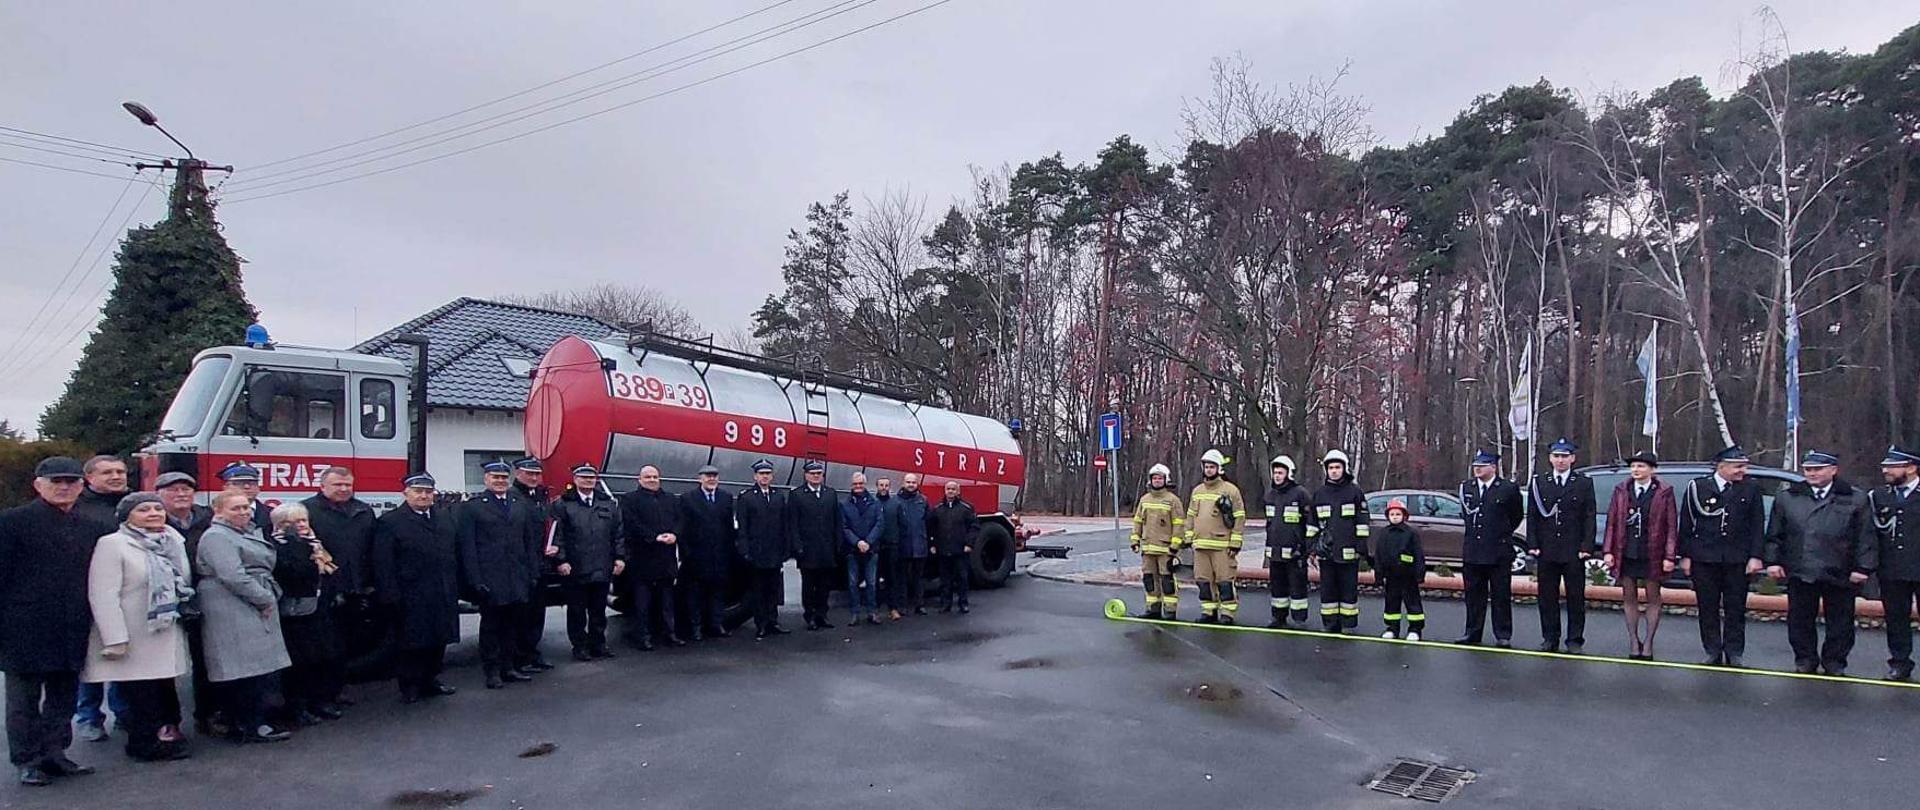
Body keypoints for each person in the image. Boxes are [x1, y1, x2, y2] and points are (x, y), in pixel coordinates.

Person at [0, 457, 108, 785]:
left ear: (81, 485)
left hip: (71, 624)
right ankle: (27, 760)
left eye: (70, 481)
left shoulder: (91, 526)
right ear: (38, 485)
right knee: (23, 701)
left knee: (63, 697)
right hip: (23, 626)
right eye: (55, 481)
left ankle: (55, 753)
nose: (63, 487)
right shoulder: (12, 522)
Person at [85, 492, 194, 762]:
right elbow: (103, 593)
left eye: (158, 508)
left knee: (163, 688)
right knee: (140, 692)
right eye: (144, 510)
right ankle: (143, 744)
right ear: (127, 516)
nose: (154, 514)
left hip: (165, 627)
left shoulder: (172, 541)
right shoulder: (113, 544)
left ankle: (166, 735)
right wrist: (114, 638)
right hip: (134, 632)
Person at [1765, 451, 1876, 676]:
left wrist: (1863, 567)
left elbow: (1865, 536)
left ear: (1833, 470)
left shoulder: (1855, 498)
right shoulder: (1788, 497)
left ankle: (1835, 661)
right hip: (1800, 568)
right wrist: (1773, 561)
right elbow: (1775, 533)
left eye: (1818, 469)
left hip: (1840, 570)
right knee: (1800, 620)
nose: (1812, 474)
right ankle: (1805, 659)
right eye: (1808, 470)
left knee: (1841, 622)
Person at [196, 491, 293, 743]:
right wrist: (264, 598)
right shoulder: (217, 536)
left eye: (246, 507)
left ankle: (254, 720)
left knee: (255, 668)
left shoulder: (244, 532)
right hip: (231, 603)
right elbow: (232, 575)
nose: (243, 512)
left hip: (247, 600)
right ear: (218, 512)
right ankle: (245, 724)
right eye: (235, 508)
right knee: (240, 669)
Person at [373, 473, 463, 702]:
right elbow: (383, 563)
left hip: (442, 589)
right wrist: (390, 595)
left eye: (428, 492)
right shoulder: (390, 522)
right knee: (411, 642)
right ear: (406, 493)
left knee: (438, 639)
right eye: (418, 491)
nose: (423, 496)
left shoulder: (444, 518)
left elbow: (454, 553)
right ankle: (410, 685)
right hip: (411, 593)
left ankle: (431, 679)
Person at [1678, 446, 1766, 667]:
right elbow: (1687, 523)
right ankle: (1712, 650)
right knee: (1707, 607)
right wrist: (1686, 555)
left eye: (1744, 466)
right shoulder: (1698, 487)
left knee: (1735, 607)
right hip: (1704, 557)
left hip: (1737, 558)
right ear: (1721, 466)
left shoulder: (1751, 488)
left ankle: (1734, 651)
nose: (1742, 471)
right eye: (1738, 466)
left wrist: (1755, 556)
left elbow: (1756, 524)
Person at [457, 462, 544, 688]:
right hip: (490, 577)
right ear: (486, 479)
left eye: (503, 478)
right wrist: (475, 579)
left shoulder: (519, 504)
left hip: (517, 576)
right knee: (491, 627)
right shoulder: (473, 507)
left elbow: (529, 542)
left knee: (514, 625)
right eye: (495, 477)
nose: (500, 482)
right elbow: (468, 547)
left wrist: (532, 573)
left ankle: (509, 667)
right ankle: (492, 671)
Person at [301, 467, 381, 686]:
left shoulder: (363, 511)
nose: (344, 489)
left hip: (355, 589)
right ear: (322, 486)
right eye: (338, 485)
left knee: (348, 643)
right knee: (321, 646)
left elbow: (373, 549)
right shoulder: (306, 511)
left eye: (348, 485)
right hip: (322, 589)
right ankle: (319, 694)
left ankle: (337, 690)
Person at [154, 471, 220, 736]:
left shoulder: (208, 518)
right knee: (165, 665)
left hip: (204, 598)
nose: (181, 495)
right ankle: (169, 722)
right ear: (159, 494)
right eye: (173, 490)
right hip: (165, 602)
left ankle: (209, 715)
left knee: (207, 661)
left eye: (186, 490)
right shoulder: (151, 521)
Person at [70, 454, 130, 744]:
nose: (116, 476)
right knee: (91, 659)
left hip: (127, 593)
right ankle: (89, 717)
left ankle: (123, 713)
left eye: (120, 471)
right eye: (107, 472)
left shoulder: (132, 504)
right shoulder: (76, 509)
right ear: (89, 479)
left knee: (124, 656)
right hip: (87, 593)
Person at [267, 503, 342, 725]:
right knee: (299, 663)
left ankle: (318, 701)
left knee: (321, 658)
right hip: (294, 612)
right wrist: (297, 545)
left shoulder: (316, 544)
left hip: (319, 608)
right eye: (293, 522)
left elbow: (331, 570)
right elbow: (295, 573)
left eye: (303, 520)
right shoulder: (278, 546)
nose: (300, 525)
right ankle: (296, 708)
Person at [1602, 451, 1678, 660]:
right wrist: (1608, 550)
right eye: (1634, 466)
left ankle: (1649, 641)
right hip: (1626, 550)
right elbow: (1612, 521)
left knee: (1653, 596)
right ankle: (1634, 640)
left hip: (1652, 550)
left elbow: (1671, 525)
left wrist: (1670, 556)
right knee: (1629, 596)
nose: (1636, 470)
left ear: (1652, 469)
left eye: (1641, 466)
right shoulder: (1622, 489)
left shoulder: (1664, 491)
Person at [1526, 439, 1598, 654]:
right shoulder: (1540, 482)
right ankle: (1550, 638)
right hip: (1547, 548)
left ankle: (1574, 639)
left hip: (1573, 549)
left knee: (1575, 597)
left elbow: (1589, 516)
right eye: (1556, 456)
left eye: (1564, 456)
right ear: (1550, 459)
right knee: (1547, 597)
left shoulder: (1583, 483)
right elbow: (1533, 516)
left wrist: (1587, 546)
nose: (1560, 460)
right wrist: (1533, 543)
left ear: (1572, 459)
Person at [549, 464, 624, 661]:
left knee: (598, 610)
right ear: (575, 480)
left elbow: (618, 534)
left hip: (601, 565)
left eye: (591, 478)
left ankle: (599, 644)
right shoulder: (563, 504)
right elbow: (557, 536)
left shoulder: (607, 504)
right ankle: (579, 646)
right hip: (575, 568)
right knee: (576, 611)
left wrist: (619, 557)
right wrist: (561, 561)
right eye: (583, 478)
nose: (588, 481)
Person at [1453, 450, 1523, 648]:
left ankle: (1503, 634)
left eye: (1482, 465)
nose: (1478, 469)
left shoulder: (1507, 488)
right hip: (1474, 551)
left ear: (1493, 467)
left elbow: (1515, 516)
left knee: (1500, 595)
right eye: (1476, 465)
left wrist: (1500, 533)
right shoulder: (1467, 487)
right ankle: (1472, 632)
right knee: (1474, 596)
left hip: (1498, 551)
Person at [619, 465, 683, 650]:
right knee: (642, 603)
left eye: (655, 477)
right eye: (648, 477)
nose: (652, 480)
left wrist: (675, 535)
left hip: (666, 558)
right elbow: (632, 524)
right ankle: (643, 636)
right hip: (642, 559)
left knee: (667, 602)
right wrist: (653, 537)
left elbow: (681, 520)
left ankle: (669, 634)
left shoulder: (670, 499)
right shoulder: (630, 500)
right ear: (639, 480)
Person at [1872, 445, 1920, 681]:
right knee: (1896, 618)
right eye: (1885, 466)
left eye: (1892, 466)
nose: (1886, 471)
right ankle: (1900, 662)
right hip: (1892, 569)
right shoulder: (1880, 496)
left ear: (1911, 468)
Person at [1185, 449, 1246, 625]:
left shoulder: (1230, 490)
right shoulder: (1197, 491)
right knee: (1203, 580)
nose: (1209, 470)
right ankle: (1208, 611)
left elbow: (1239, 516)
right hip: (1200, 545)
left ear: (1219, 469)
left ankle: (1227, 612)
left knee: (1224, 580)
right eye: (1206, 467)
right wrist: (1189, 537)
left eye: (1212, 467)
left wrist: (1235, 541)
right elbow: (1190, 516)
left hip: (1222, 544)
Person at [1311, 450, 1368, 633]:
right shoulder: (1319, 494)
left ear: (1345, 468)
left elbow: (1362, 520)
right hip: (1327, 552)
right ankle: (1330, 623)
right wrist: (1311, 547)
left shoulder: (1355, 492)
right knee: (1328, 589)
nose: (1334, 471)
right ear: (1326, 470)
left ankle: (1348, 624)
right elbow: (1312, 523)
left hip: (1349, 550)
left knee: (1348, 589)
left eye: (1338, 467)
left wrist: (1361, 544)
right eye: (1331, 468)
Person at [676, 465, 735, 640]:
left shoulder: (726, 498)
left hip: (719, 556)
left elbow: (728, 528)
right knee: (695, 595)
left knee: (717, 593)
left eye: (714, 476)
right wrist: (686, 555)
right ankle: (696, 627)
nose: (711, 479)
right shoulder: (688, 499)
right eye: (708, 476)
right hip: (696, 557)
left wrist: (729, 552)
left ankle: (716, 625)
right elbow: (683, 528)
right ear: (699, 478)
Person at [736, 460, 792, 638]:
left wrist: (786, 549)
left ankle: (773, 621)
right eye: (761, 474)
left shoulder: (778, 496)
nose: (765, 476)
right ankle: (760, 624)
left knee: (773, 590)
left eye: (768, 473)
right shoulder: (747, 497)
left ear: (772, 476)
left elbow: (784, 525)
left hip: (775, 552)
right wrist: (745, 551)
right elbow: (743, 527)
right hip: (756, 552)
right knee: (758, 590)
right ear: (755, 476)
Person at [510, 458, 557, 671]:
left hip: (540, 564)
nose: (534, 478)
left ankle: (532, 652)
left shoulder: (540, 497)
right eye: (529, 473)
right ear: (518, 473)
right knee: (521, 615)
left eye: (537, 474)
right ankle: (519, 658)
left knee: (537, 613)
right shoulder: (512, 497)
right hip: (520, 566)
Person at [787, 460, 843, 630]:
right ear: (806, 475)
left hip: (826, 549)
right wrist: (798, 547)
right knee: (808, 586)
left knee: (824, 586)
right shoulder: (797, 495)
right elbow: (793, 524)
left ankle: (822, 615)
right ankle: (809, 615)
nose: (816, 476)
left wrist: (837, 545)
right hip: (807, 550)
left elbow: (836, 522)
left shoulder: (830, 494)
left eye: (819, 473)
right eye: (812, 473)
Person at [1262, 456, 1312, 628]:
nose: (1277, 476)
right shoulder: (1270, 495)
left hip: (1295, 551)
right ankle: (1278, 617)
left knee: (1297, 586)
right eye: (1275, 472)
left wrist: (1304, 547)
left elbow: (1309, 523)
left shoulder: (1301, 494)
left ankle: (1299, 619)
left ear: (1289, 474)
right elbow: (1270, 524)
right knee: (1277, 587)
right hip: (1275, 551)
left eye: (1280, 472)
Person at [1131, 463, 1185, 620]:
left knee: (1167, 580)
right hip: (1148, 549)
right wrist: (1135, 540)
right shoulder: (1145, 500)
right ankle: (1153, 608)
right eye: (1154, 478)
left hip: (1166, 549)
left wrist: (1175, 546)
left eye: (1160, 478)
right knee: (1149, 579)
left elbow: (1179, 524)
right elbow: (1138, 521)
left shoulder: (1172, 501)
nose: (1157, 481)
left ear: (1166, 480)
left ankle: (1170, 611)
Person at [1375, 498, 1426, 640]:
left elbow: (1418, 554)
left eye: (1398, 514)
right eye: (1392, 514)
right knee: (1391, 603)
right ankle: (1392, 628)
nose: (1395, 517)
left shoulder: (1411, 533)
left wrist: (1419, 572)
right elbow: (1379, 554)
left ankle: (1415, 629)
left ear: (1404, 516)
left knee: (1412, 603)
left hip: (1408, 575)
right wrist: (1378, 574)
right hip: (1391, 576)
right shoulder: (1384, 533)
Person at [840, 473, 884, 626]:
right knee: (852, 584)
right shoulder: (845, 505)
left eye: (860, 484)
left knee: (872, 583)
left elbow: (879, 525)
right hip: (853, 550)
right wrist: (858, 542)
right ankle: (855, 613)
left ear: (865, 484)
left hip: (871, 550)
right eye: (855, 484)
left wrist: (868, 542)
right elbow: (844, 527)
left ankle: (872, 612)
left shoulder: (875, 503)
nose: (858, 487)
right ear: (851, 485)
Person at [887, 473, 932, 619]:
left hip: (919, 545)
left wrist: (928, 541)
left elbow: (929, 522)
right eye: (908, 482)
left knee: (918, 578)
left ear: (917, 484)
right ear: (903, 483)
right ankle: (902, 605)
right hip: (903, 545)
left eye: (913, 482)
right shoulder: (896, 501)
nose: (911, 484)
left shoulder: (923, 501)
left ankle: (919, 605)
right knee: (902, 578)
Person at [929, 481, 979, 614]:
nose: (950, 491)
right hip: (943, 550)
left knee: (962, 578)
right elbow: (932, 529)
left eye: (953, 489)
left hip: (960, 550)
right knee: (945, 580)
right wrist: (933, 545)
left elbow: (974, 528)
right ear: (944, 491)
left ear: (958, 492)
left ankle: (963, 603)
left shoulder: (966, 509)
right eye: (948, 489)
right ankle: (946, 604)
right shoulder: (938, 509)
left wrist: (969, 544)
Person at [217, 462, 274, 531]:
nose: (247, 487)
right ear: (226, 487)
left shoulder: (272, 514)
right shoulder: (211, 514)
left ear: (258, 488)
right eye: (240, 483)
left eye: (252, 483)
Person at [873, 477, 897, 619]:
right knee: (873, 579)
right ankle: (875, 607)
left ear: (889, 487)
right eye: (881, 485)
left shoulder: (895, 504)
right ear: (877, 486)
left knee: (891, 578)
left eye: (886, 485)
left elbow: (902, 524)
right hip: (875, 547)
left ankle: (893, 608)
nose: (884, 488)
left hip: (891, 546)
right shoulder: (872, 503)